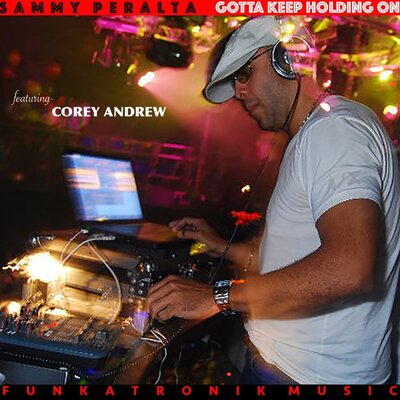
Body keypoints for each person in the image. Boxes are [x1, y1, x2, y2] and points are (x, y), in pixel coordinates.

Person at [147, 16, 400, 384]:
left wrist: (217, 296)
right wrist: (220, 245)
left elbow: (349, 268)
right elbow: (294, 263)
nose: (238, 92)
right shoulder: (320, 131)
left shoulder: (335, 132)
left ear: (288, 59)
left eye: (244, 74)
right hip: (292, 368)